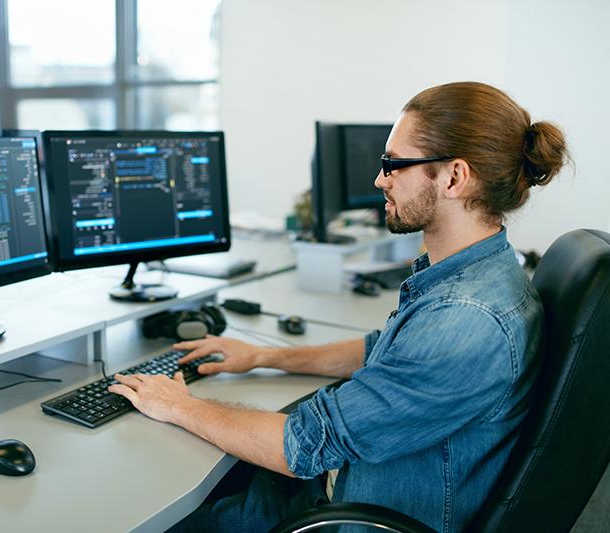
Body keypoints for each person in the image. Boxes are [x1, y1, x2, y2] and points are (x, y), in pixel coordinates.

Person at [108, 81, 569, 532]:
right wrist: (265, 357)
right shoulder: (479, 272)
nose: (379, 179)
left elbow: (301, 446)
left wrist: (177, 405)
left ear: (454, 177)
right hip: (343, 488)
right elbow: (383, 352)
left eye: (393, 164)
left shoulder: (466, 318)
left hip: (350, 516)